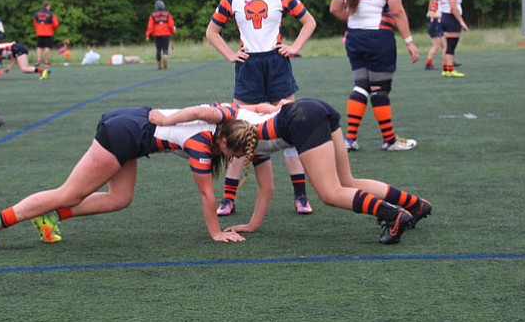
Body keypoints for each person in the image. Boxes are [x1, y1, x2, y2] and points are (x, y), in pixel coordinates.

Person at [0, 105, 273, 250]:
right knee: (70, 192)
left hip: (134, 128)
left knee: (120, 199)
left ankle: (51, 217)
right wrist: (216, 233)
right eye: (233, 154)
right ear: (222, 142)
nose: (233, 160)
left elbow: (245, 109)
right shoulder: (201, 145)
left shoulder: (228, 116)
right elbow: (206, 194)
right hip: (124, 133)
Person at [149, 99, 432, 245]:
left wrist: (166, 118)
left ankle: (394, 216)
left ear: (227, 142)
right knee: (347, 181)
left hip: (301, 119)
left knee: (330, 193)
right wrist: (252, 225)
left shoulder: (230, 125)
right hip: (311, 108)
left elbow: (199, 111)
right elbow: (267, 188)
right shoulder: (245, 135)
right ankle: (416, 205)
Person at [205, 0, 317, 216]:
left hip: (277, 65)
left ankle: (301, 196)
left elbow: (309, 22)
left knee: (291, 128)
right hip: (248, 67)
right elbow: (211, 31)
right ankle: (229, 199)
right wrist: (231, 55)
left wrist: (294, 48)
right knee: (238, 132)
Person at [329, 0, 419, 152]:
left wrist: (353, 22)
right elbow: (397, 11)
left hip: (354, 37)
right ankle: (389, 140)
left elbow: (335, 8)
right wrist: (409, 42)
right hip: (378, 38)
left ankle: (350, 140)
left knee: (361, 85)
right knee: (379, 88)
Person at [439, 0, 469, 77]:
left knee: (447, 46)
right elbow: (453, 7)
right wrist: (461, 21)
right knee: (451, 45)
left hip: (444, 17)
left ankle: (446, 68)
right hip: (451, 19)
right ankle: (450, 69)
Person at [145, 0, 176, 70]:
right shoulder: (168, 14)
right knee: (165, 48)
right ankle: (165, 55)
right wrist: (173, 31)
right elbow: (171, 25)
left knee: (158, 50)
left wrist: (147, 35)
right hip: (166, 34)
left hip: (156, 35)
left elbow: (150, 27)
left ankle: (159, 66)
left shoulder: (153, 15)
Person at [33, 2, 60, 67]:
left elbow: (35, 23)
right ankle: (46, 62)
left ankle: (38, 61)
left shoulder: (37, 14)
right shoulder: (51, 14)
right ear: (47, 6)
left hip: (39, 32)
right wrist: (52, 29)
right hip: (48, 32)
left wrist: (39, 28)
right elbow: (56, 24)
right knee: (47, 47)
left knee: (39, 47)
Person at [424, 0, 445, 70]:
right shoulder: (436, 2)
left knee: (445, 46)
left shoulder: (439, 2)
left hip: (438, 25)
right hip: (435, 25)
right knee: (436, 46)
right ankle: (428, 64)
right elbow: (430, 14)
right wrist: (443, 16)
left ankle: (448, 62)